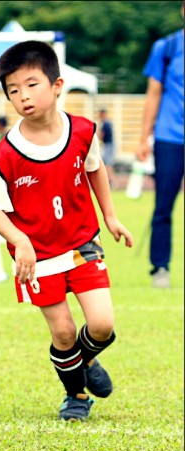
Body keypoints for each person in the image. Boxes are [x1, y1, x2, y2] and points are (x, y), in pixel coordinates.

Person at [0, 41, 133, 422]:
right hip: (38, 256)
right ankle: (76, 395)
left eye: (31, 85)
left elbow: (94, 167)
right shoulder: (6, 153)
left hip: (83, 242)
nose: (23, 96)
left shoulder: (82, 131)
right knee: (63, 332)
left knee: (102, 324)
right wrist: (20, 241)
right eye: (13, 90)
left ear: (57, 84)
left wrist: (110, 216)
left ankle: (87, 359)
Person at [135, 4, 184, 290]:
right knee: (163, 206)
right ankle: (160, 268)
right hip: (169, 137)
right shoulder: (166, 48)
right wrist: (144, 137)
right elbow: (153, 94)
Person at [97, 109, 116, 188]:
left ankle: (110, 181)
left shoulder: (105, 124)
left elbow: (102, 135)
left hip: (108, 145)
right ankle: (110, 180)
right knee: (107, 163)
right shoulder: (108, 123)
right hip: (109, 145)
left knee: (107, 163)